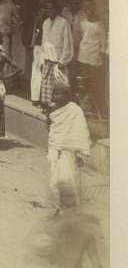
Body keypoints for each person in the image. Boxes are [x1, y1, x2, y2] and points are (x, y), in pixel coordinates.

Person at [46, 82, 91, 214]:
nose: (56, 96)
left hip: (69, 153)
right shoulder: (52, 109)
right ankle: (58, 208)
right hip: (55, 150)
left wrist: (81, 153)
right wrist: (55, 140)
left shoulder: (75, 111)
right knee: (54, 182)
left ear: (67, 95)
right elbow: (50, 127)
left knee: (66, 181)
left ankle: (67, 213)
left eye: (59, 93)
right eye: (54, 93)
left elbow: (81, 132)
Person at [40, 0, 74, 114]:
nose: (49, 10)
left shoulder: (64, 23)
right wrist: (42, 59)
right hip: (47, 60)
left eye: (51, 8)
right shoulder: (45, 22)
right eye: (47, 8)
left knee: (59, 86)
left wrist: (62, 61)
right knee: (46, 84)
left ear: (56, 9)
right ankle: (47, 106)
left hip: (58, 61)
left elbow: (67, 43)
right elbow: (43, 42)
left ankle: (59, 108)